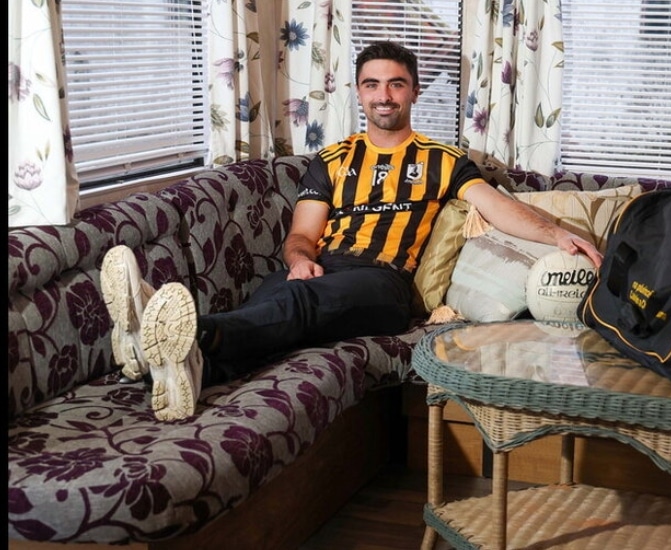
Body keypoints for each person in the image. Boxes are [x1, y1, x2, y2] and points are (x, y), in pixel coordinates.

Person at [101, 40, 603, 422]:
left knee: (294, 307)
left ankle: (179, 335)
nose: (383, 96)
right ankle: (175, 364)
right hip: (321, 267)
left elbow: (497, 207)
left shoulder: (442, 159)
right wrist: (299, 261)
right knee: (269, 311)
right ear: (358, 92)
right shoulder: (334, 160)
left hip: (381, 283)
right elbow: (302, 234)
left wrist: (557, 235)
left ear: (413, 91)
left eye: (395, 84)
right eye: (372, 84)